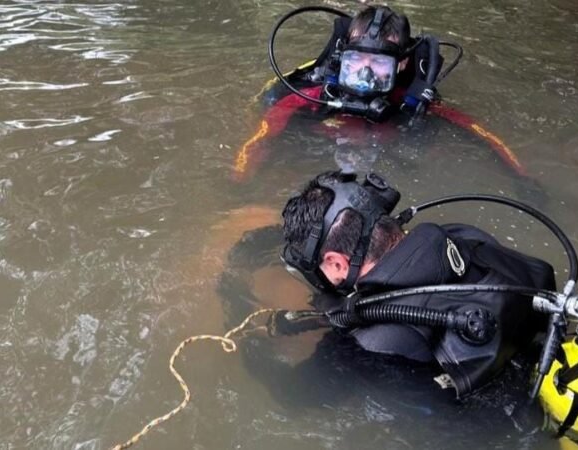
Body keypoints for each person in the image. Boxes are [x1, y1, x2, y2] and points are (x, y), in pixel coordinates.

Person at [279, 170, 557, 396]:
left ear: (338, 263)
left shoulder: (374, 343)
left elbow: (297, 398)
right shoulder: (462, 236)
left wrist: (253, 352)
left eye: (321, 268)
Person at [232, 5, 529, 182]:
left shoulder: (410, 103)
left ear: (400, 64)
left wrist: (523, 178)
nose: (364, 73)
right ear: (342, 57)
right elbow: (262, 135)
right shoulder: (310, 99)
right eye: (356, 61)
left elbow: (479, 133)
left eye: (377, 64)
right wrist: (239, 181)